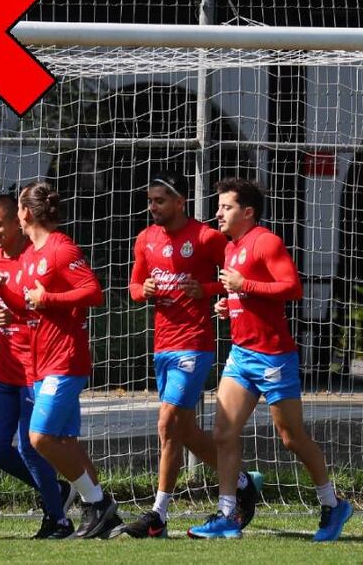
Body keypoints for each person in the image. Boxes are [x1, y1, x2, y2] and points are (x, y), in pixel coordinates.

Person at [188, 178, 353, 541]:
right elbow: (245, 292)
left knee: (291, 437)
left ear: (248, 212)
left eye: (226, 207)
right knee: (223, 433)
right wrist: (229, 305)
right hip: (241, 354)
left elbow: (292, 287)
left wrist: (243, 287)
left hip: (274, 357)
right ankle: (227, 514)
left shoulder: (267, 241)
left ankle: (332, 503)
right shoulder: (231, 249)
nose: (218, 212)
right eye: (219, 206)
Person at [111, 173, 260, 539]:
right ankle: (242, 482)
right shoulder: (145, 238)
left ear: (180, 202)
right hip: (163, 345)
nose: (153, 207)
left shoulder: (207, 238)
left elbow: (234, 274)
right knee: (186, 430)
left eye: (160, 200)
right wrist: (141, 289)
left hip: (194, 343)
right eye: (150, 200)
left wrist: (206, 288)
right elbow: (133, 285)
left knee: (167, 423)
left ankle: (158, 515)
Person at [0, 181, 116, 539]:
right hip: (40, 360)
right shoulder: (30, 254)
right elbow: (28, 305)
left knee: (39, 438)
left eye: (17, 208)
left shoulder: (61, 249)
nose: (15, 214)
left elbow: (93, 291)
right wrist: (3, 291)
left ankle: (98, 503)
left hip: (65, 358)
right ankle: (105, 515)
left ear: (26, 213)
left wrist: (50, 300)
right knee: (66, 442)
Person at [0, 194, 76, 539]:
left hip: (36, 367)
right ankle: (55, 490)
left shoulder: (38, 257)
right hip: (7, 370)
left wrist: (17, 311)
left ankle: (58, 518)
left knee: (32, 446)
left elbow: (39, 310)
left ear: (19, 221)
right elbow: (9, 315)